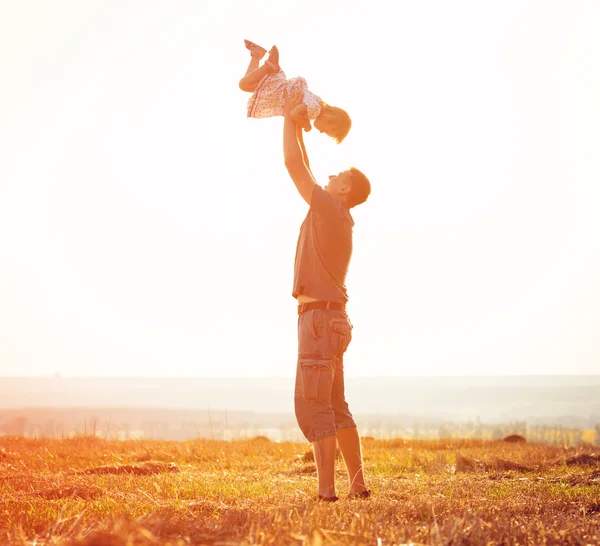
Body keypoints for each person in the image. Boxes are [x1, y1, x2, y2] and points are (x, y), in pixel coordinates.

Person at [282, 86, 372, 501]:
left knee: (316, 406)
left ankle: (326, 494)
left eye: (341, 177)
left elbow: (294, 167)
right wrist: (299, 125)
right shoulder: (337, 216)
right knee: (336, 406)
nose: (333, 176)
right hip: (334, 319)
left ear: (344, 192)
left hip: (318, 321)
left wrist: (287, 118)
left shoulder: (330, 210)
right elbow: (308, 167)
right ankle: (358, 486)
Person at [239, 40, 352, 143]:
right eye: (326, 131)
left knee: (248, 83)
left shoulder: (317, 104)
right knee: (244, 85)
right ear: (330, 119)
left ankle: (256, 55)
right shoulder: (315, 110)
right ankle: (269, 66)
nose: (321, 132)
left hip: (278, 91)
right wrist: (306, 125)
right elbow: (295, 113)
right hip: (277, 92)